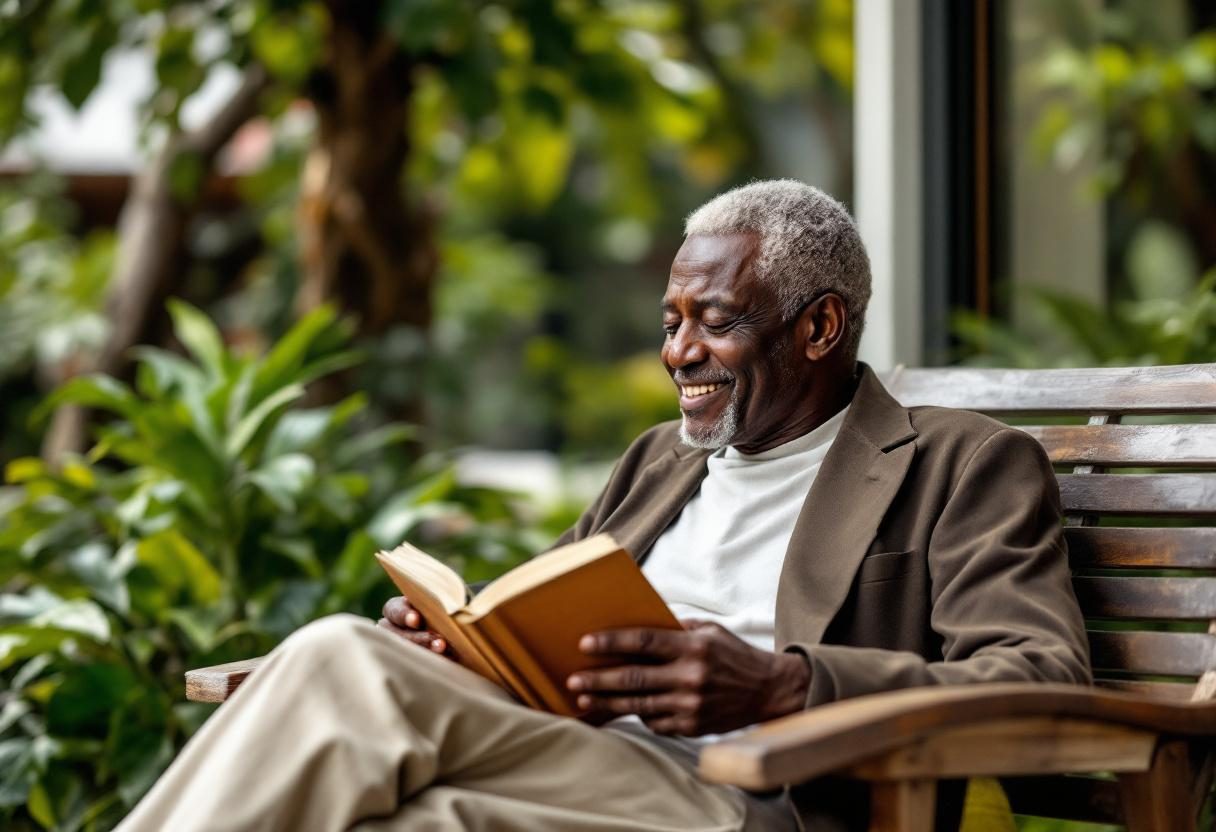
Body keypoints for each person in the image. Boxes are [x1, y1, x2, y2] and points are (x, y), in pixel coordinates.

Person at [118, 180, 1090, 832]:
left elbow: (1043, 671)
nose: (678, 354)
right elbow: (543, 618)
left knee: (338, 659)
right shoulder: (657, 463)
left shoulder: (961, 463)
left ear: (820, 326)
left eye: (714, 322)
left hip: (747, 801)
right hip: (586, 769)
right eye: (670, 323)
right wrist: (460, 640)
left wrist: (782, 683)